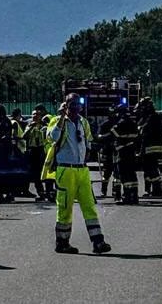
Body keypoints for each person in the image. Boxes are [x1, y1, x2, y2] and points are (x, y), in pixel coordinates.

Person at [42, 93, 111, 254]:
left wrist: (95, 146)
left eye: (77, 104)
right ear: (65, 105)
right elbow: (53, 137)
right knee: (65, 207)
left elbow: (88, 142)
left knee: (89, 206)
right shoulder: (57, 121)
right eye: (71, 104)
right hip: (65, 170)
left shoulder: (83, 122)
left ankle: (98, 242)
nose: (75, 108)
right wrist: (61, 117)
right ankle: (62, 242)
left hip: (82, 169)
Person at [108, 106, 141, 204]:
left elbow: (112, 134)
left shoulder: (121, 123)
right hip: (131, 153)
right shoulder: (134, 123)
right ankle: (134, 197)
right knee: (132, 175)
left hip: (122, 154)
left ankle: (127, 197)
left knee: (124, 176)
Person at [136, 97, 162, 197]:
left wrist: (140, 150)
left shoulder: (150, 118)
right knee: (149, 170)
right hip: (154, 147)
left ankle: (157, 190)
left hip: (150, 147)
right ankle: (151, 190)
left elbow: (144, 133)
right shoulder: (155, 116)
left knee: (151, 169)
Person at [23, 110, 51, 201]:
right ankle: (41, 192)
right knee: (35, 174)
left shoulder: (44, 126)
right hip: (33, 150)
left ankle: (49, 192)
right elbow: (24, 136)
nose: (35, 116)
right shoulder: (29, 125)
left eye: (37, 114)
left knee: (45, 172)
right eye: (33, 114)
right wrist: (31, 127)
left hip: (42, 150)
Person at [96, 111, 119, 198]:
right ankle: (104, 191)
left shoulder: (118, 124)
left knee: (116, 174)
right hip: (107, 151)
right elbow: (99, 137)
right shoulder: (104, 125)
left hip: (116, 151)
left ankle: (115, 191)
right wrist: (108, 135)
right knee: (106, 173)